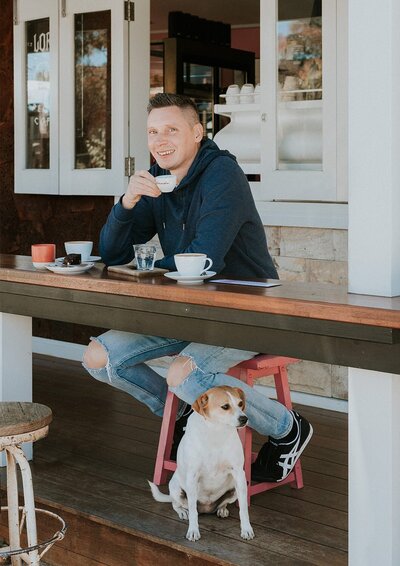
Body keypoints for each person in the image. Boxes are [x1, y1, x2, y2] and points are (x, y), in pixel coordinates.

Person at [83, 93, 313, 482]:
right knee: (98, 357)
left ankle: (287, 428)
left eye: (171, 129)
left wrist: (147, 268)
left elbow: (204, 257)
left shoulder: (222, 174)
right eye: (153, 132)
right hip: (187, 309)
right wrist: (127, 201)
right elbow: (111, 253)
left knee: (184, 374)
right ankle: (189, 412)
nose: (160, 140)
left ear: (196, 132)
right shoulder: (158, 179)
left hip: (247, 308)